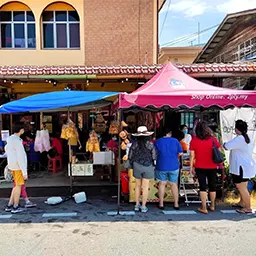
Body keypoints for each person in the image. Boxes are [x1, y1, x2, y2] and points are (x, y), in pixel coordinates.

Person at [223, 120, 256, 214]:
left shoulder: (239, 139)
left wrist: (225, 143)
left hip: (240, 167)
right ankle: (242, 203)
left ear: (237, 129)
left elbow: (226, 146)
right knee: (243, 186)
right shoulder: (247, 138)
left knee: (241, 187)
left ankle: (248, 208)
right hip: (246, 166)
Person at [190, 121, 221, 214]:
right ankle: (212, 205)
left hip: (200, 165)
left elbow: (192, 155)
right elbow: (219, 150)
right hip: (212, 165)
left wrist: (191, 167)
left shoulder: (194, 140)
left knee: (202, 186)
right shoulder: (213, 139)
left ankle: (204, 207)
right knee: (212, 186)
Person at [128, 126, 156, 213]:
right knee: (145, 187)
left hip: (137, 165)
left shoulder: (134, 144)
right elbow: (154, 156)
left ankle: (137, 204)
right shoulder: (150, 144)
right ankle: (143, 206)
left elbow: (130, 156)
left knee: (137, 186)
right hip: (148, 165)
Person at [155, 128, 183, 210]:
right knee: (174, 184)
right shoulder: (175, 141)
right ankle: (176, 204)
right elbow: (180, 153)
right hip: (174, 165)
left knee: (162, 184)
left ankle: (161, 204)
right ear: (169, 133)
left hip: (161, 165)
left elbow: (154, 153)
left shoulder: (158, 141)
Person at [5, 123, 28, 213]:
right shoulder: (17, 141)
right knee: (18, 186)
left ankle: (10, 204)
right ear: (21, 130)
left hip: (12, 165)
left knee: (16, 185)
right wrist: (24, 171)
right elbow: (21, 156)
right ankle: (15, 206)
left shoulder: (10, 139)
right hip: (18, 166)